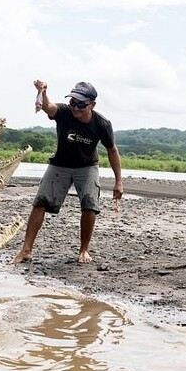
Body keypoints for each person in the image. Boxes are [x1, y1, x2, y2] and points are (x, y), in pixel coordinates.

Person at [12, 80, 123, 265]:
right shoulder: (64, 112)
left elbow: (112, 151)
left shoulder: (102, 124)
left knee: (89, 205)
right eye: (73, 102)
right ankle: (26, 250)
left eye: (81, 104)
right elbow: (47, 106)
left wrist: (119, 181)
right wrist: (43, 91)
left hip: (87, 167)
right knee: (40, 203)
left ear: (92, 105)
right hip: (60, 165)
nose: (75, 108)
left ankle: (84, 250)